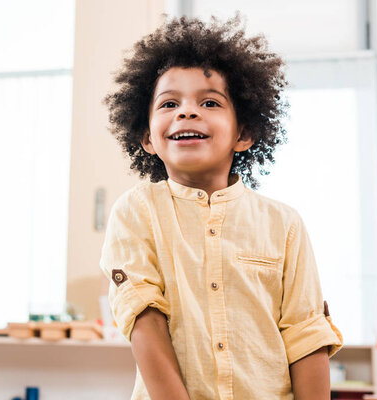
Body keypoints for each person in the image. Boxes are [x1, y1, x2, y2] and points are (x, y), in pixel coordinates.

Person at [99, 15, 343, 400]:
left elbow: (305, 335)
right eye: (169, 103)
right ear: (147, 137)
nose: (186, 111)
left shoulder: (285, 224)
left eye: (209, 102)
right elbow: (144, 320)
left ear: (243, 134)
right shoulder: (136, 211)